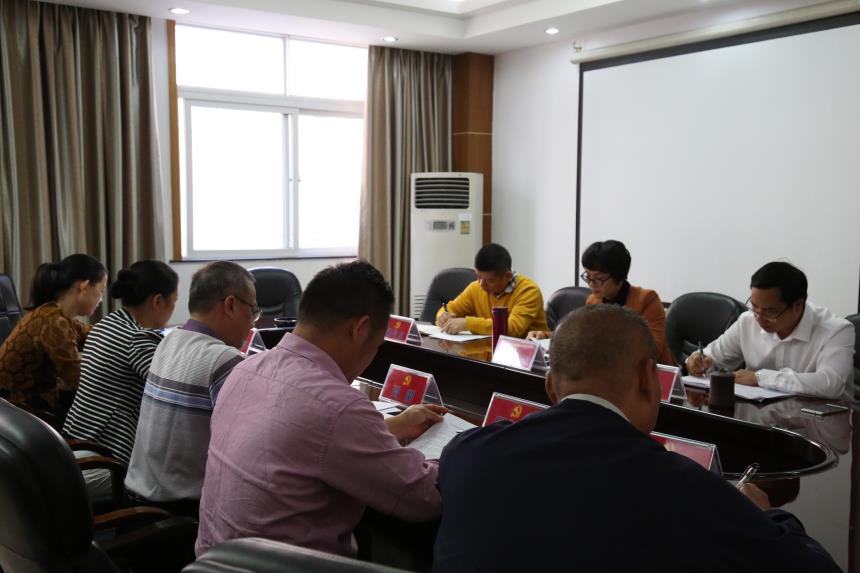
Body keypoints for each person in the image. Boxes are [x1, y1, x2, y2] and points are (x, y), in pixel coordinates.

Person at [434, 305, 840, 572]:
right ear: (651, 379)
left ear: (550, 387)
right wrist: (768, 515)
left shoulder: (466, 454)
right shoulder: (684, 489)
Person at [196, 261, 445, 557]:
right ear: (361, 329)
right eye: (377, 346)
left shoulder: (245, 369)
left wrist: (392, 428)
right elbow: (423, 498)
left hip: (211, 562)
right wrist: (456, 454)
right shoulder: (337, 405)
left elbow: (307, 439)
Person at [124, 261, 256, 516]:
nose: (252, 322)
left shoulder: (168, 341)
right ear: (230, 305)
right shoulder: (225, 360)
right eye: (253, 310)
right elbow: (247, 450)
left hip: (136, 503)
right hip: (181, 515)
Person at [64, 260, 179, 465]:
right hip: (103, 459)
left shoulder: (107, 324)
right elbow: (176, 391)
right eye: (174, 301)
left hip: (74, 445)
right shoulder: (138, 339)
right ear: (158, 301)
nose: (174, 309)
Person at [686, 262, 854, 400]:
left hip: (822, 421)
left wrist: (760, 378)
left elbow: (830, 383)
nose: (759, 318)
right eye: (754, 307)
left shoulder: (836, 330)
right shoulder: (748, 320)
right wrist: (699, 361)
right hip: (761, 417)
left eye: (770, 312)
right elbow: (712, 357)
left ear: (797, 305)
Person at [528, 239, 674, 365]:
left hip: (650, 377)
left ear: (619, 276)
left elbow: (652, 350)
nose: (592, 284)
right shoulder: (593, 301)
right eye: (588, 276)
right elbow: (579, 336)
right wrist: (546, 336)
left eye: (598, 278)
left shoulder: (647, 300)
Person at [0, 254, 106, 422]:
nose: (101, 299)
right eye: (101, 291)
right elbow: (79, 380)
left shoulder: (57, 315)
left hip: (26, 405)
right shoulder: (53, 322)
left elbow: (94, 334)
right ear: (84, 287)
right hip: (19, 412)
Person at [435, 243, 548, 338]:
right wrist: (443, 316)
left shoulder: (528, 291)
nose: (481, 284)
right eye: (478, 276)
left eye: (489, 280)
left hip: (527, 353)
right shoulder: (475, 288)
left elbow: (512, 328)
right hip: (488, 350)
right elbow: (451, 308)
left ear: (508, 276)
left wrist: (468, 324)